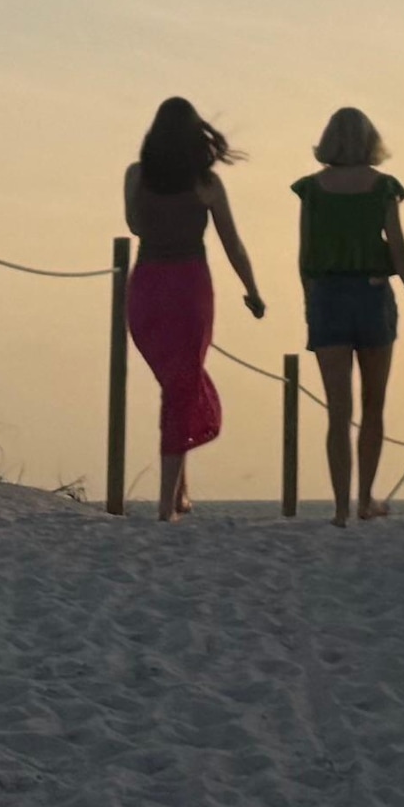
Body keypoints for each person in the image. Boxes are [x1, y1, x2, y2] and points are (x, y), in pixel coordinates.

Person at [290, 108, 404, 521]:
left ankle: (341, 506)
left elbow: (306, 254)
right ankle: (365, 499)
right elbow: (399, 249)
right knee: (373, 405)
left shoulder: (312, 189)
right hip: (373, 296)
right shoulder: (383, 188)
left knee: (338, 411)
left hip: (328, 298)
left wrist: (311, 300)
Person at [121, 96, 264, 521]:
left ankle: (178, 494)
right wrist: (252, 290)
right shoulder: (207, 184)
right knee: (180, 388)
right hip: (189, 286)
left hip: (146, 285)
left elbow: (133, 225)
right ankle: (168, 505)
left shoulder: (136, 175)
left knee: (177, 387)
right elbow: (231, 243)